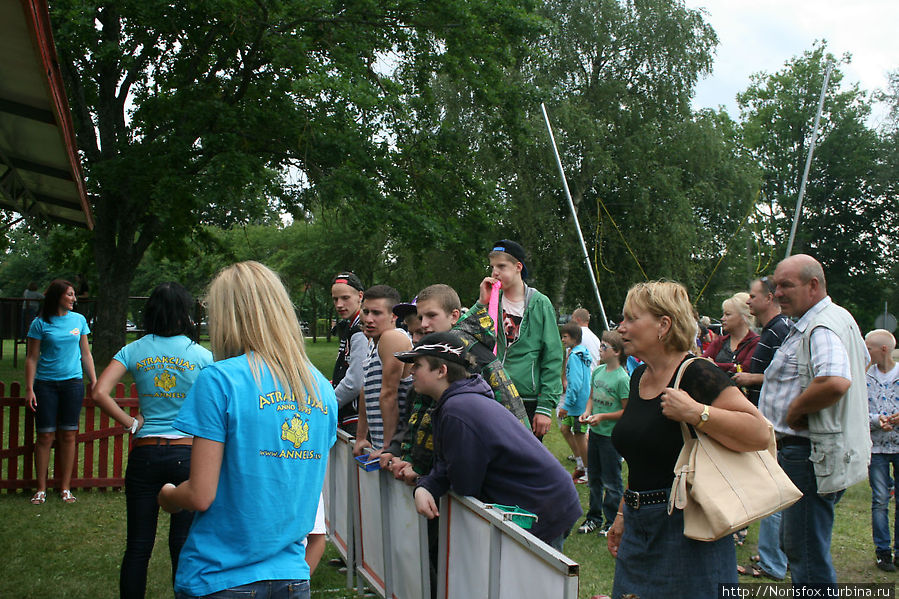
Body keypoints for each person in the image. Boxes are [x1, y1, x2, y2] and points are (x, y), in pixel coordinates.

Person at [157, 261, 337, 599]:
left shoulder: (220, 379)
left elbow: (200, 494)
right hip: (291, 577)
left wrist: (168, 495)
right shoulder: (320, 390)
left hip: (221, 576)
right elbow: (304, 488)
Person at [607, 281, 770, 599]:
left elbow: (759, 431)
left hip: (688, 527)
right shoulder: (640, 376)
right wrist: (623, 514)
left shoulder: (696, 373)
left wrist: (698, 413)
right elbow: (643, 459)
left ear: (663, 325)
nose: (621, 327)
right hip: (641, 525)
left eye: (630, 318)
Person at [405, 332, 581, 550]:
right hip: (546, 501)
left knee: (524, 581)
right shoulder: (456, 403)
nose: (411, 371)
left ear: (441, 371)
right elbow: (448, 464)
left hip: (543, 507)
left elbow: (464, 482)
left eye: (417, 365)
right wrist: (426, 487)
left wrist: (429, 485)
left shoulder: (457, 410)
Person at [92, 282, 214, 598]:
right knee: (183, 544)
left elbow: (99, 392)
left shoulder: (134, 350)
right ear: (184, 314)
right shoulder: (201, 355)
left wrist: (132, 423)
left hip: (145, 453)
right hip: (187, 456)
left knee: (138, 545)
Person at [759, 254, 871, 586]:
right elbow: (860, 364)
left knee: (805, 552)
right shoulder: (838, 318)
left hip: (807, 455)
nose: (777, 293)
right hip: (810, 453)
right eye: (775, 285)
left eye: (786, 285)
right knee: (802, 545)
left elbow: (836, 381)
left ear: (813, 285)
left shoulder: (819, 327)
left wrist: (796, 410)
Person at [383, 283, 529, 481]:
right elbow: (422, 408)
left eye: (431, 316)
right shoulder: (458, 341)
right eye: (420, 317)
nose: (423, 324)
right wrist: (404, 454)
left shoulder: (454, 349)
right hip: (508, 451)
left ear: (454, 316)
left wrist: (418, 466)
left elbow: (434, 414)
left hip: (505, 460)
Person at [472, 239, 564, 439]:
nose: (495, 272)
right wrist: (481, 303)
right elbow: (462, 335)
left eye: (501, 266)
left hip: (527, 398)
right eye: (492, 267)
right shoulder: (491, 302)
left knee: (524, 463)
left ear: (518, 267)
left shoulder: (539, 303)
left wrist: (545, 407)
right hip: (492, 394)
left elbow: (553, 356)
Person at [733, 276, 792, 579]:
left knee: (774, 493)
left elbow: (788, 376)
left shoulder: (781, 331)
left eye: (753, 296)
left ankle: (773, 561)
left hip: (773, 424)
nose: (748, 302)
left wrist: (751, 380)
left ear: (770, 298)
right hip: (763, 419)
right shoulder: (769, 331)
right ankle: (777, 554)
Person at [25, 279, 97, 505]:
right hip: (45, 385)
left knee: (68, 435)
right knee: (45, 436)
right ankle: (41, 489)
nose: (74, 299)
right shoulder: (40, 323)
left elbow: (85, 353)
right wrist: (29, 388)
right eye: (70, 295)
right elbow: (32, 358)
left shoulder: (79, 321)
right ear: (58, 297)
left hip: (72, 384)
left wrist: (94, 380)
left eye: (74, 295)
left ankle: (65, 488)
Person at [577, 330, 629, 536]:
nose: (600, 350)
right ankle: (594, 517)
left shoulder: (622, 378)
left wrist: (604, 417)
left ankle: (611, 521)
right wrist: (587, 412)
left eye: (604, 347)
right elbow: (591, 397)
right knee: (595, 477)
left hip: (611, 437)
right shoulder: (598, 372)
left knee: (612, 481)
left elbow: (627, 411)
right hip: (596, 434)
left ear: (616, 352)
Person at [354, 285, 412, 455]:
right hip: (381, 446)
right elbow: (366, 389)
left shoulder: (392, 337)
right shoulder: (374, 342)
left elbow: (389, 393)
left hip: (398, 451)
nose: (369, 319)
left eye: (377, 313)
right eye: (365, 312)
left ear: (394, 315)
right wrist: (360, 436)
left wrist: (388, 448)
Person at [864, 329, 899, 571]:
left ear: (883, 349)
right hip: (876, 448)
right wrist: (878, 421)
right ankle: (883, 551)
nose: (867, 353)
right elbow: (857, 413)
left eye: (869, 348)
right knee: (880, 499)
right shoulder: (865, 378)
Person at [330, 272, 367, 435]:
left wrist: (327, 403)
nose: (339, 304)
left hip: (356, 418)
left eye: (345, 298)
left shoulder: (360, 329)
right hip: (349, 413)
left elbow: (355, 381)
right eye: (335, 299)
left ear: (360, 296)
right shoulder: (350, 326)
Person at [559, 322, 591, 483]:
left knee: (579, 435)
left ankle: (588, 471)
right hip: (577, 404)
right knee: (565, 429)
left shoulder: (575, 356)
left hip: (577, 405)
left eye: (565, 337)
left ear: (575, 338)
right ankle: (580, 463)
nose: (562, 339)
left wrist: (566, 405)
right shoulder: (579, 353)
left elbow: (576, 384)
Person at [702, 292, 759, 375]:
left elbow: (745, 369)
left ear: (744, 317)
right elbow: (701, 363)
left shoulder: (755, 343)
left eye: (727, 314)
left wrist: (714, 366)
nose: (722, 318)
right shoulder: (719, 341)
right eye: (723, 314)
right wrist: (732, 366)